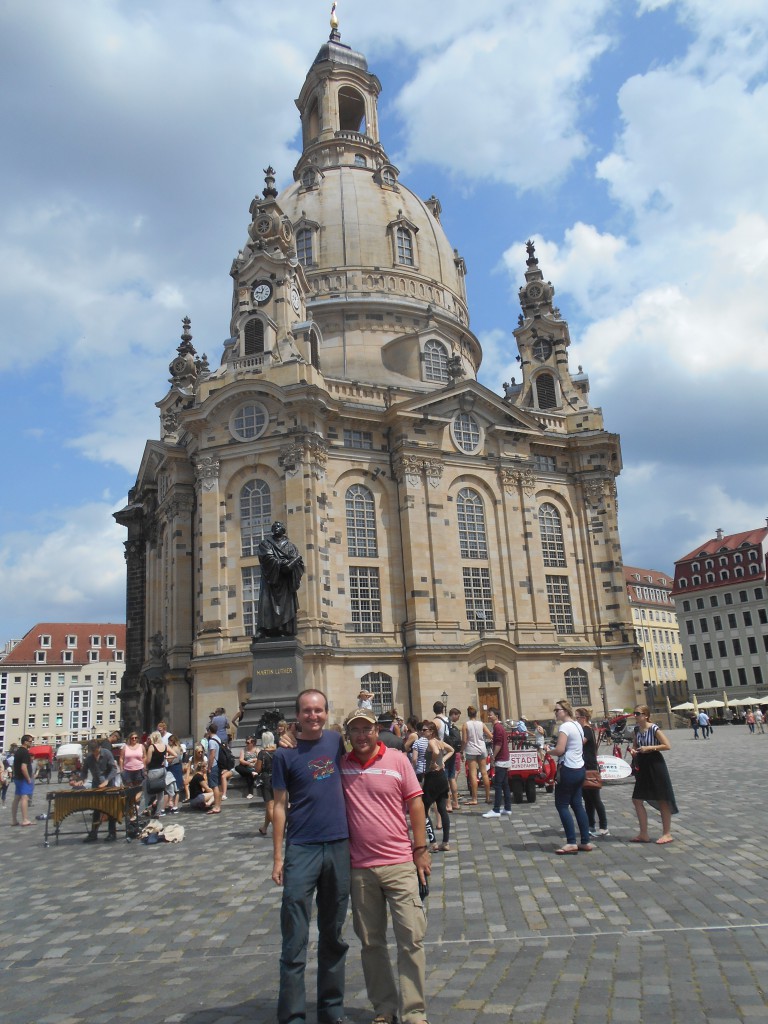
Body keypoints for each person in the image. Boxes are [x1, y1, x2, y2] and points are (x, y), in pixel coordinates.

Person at [340, 708, 431, 1024]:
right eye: (356, 731)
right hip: (360, 868)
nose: (362, 736)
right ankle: (384, 1008)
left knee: (411, 937)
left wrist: (420, 850)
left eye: (367, 729)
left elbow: (415, 803)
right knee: (371, 942)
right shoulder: (341, 766)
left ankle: (415, 1011)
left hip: (399, 862)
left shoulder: (396, 760)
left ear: (377, 731)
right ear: (348, 735)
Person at [271, 689, 350, 1024]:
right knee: (295, 936)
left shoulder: (335, 742)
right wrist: (277, 857)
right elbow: (277, 806)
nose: (313, 716)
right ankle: (292, 1016)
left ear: (326, 712)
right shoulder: (283, 754)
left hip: (338, 844)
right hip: (301, 847)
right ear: (297, 715)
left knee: (333, 933)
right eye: (307, 711)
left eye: (318, 710)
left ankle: (331, 1011)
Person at [630, 705, 678, 845]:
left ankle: (667, 833)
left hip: (655, 764)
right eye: (635, 713)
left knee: (662, 799)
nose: (635, 716)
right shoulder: (636, 729)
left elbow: (667, 745)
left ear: (645, 715)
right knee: (637, 799)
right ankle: (643, 833)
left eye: (638, 713)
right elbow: (634, 745)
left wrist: (650, 748)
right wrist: (634, 751)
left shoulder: (654, 728)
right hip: (642, 764)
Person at [550, 699, 592, 855]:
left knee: (562, 805)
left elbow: (560, 750)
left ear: (565, 711)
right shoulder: (578, 726)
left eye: (557, 710)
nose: (555, 713)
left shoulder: (565, 726)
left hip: (568, 769)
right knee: (577, 804)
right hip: (579, 768)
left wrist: (548, 751)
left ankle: (571, 842)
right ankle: (586, 841)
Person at [256, 521, 305, 638]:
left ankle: (284, 629)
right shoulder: (266, 544)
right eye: (274, 527)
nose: (276, 528)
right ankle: (265, 630)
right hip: (271, 580)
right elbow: (267, 558)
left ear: (283, 530)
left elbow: (299, 565)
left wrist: (292, 566)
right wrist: (284, 564)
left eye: (279, 526)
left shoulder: (291, 546)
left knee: (286, 606)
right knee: (267, 604)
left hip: (285, 582)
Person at [73, 739, 119, 842]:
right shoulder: (89, 758)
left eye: (96, 751)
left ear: (99, 748)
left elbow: (114, 769)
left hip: (108, 785)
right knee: (96, 810)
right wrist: (81, 780)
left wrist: (107, 781)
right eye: (92, 752)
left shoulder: (107, 753)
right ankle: (93, 834)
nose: (94, 754)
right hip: (96, 786)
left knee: (110, 810)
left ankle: (112, 833)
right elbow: (84, 772)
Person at [575, 708, 609, 838]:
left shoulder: (587, 730)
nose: (576, 720)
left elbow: (579, 743)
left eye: (577, 717)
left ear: (583, 718)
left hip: (590, 767)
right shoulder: (583, 730)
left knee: (595, 799)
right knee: (587, 799)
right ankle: (591, 825)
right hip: (583, 766)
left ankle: (604, 826)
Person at [420, 721, 454, 852]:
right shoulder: (439, 741)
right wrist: (443, 761)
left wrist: (434, 762)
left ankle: (433, 842)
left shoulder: (431, 742)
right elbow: (451, 750)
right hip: (442, 777)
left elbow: (434, 751)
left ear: (431, 731)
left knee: (423, 809)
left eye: (425, 730)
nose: (423, 732)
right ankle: (445, 842)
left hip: (432, 777)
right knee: (442, 809)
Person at [483, 708, 512, 818]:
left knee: (498, 785)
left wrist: (493, 757)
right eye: (489, 715)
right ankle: (507, 808)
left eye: (490, 715)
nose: (489, 716)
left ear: (496, 716)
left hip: (501, 759)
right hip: (504, 758)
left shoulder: (498, 727)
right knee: (505, 785)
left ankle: (496, 809)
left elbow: (498, 744)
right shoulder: (498, 727)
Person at [461, 706, 492, 805]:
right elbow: (490, 735)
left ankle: (474, 798)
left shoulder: (465, 725)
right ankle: (487, 797)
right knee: (484, 773)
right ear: (476, 714)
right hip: (482, 749)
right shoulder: (481, 724)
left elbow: (464, 740)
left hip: (471, 750)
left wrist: (461, 750)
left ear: (468, 714)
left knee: (473, 774)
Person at [11, 734, 35, 827]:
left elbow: (14, 766)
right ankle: (25, 819)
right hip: (23, 779)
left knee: (16, 798)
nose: (31, 743)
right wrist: (28, 778)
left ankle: (14, 820)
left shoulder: (17, 751)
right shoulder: (25, 752)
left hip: (17, 777)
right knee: (25, 798)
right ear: (25, 742)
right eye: (30, 741)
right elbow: (23, 767)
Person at [256, 730, 276, 835]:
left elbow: (258, 769)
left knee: (270, 806)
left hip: (266, 779)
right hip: (277, 779)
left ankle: (278, 829)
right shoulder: (278, 751)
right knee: (272, 805)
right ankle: (264, 827)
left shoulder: (262, 753)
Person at [205, 722, 223, 814]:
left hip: (214, 765)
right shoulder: (218, 739)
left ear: (209, 730)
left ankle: (216, 806)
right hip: (219, 765)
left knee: (214, 786)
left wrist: (209, 767)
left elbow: (212, 754)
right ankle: (218, 805)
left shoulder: (212, 741)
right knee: (219, 786)